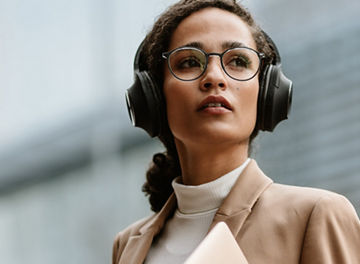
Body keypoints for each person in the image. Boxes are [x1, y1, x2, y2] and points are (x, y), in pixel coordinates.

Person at [113, 0, 360, 263]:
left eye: (238, 61)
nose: (214, 76)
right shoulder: (127, 244)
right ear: (154, 95)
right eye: (189, 62)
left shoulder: (316, 215)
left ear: (266, 92)